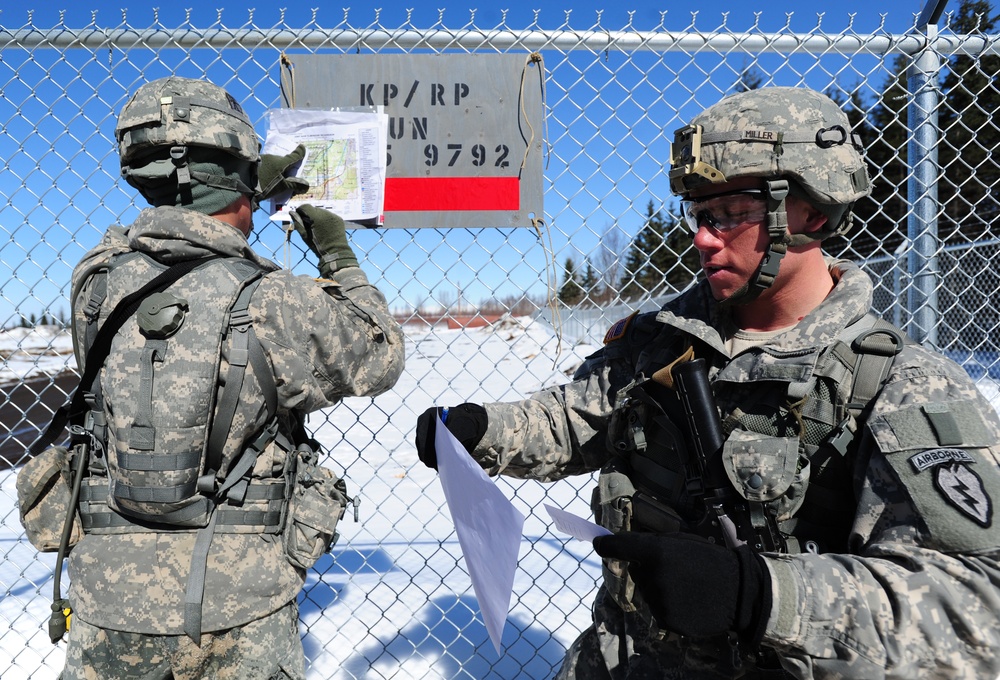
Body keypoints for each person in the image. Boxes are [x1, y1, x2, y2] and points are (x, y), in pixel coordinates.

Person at [415, 86, 1000, 678]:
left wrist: (764, 596)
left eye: (735, 213)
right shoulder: (661, 341)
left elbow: (978, 610)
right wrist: (481, 430)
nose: (703, 237)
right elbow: (579, 417)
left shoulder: (899, 386)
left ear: (814, 212)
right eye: (700, 214)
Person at [57, 76, 405, 679]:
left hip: (106, 602)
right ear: (241, 183)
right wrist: (337, 253)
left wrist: (229, 182)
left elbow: (124, 244)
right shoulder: (274, 300)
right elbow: (380, 353)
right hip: (237, 610)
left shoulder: (95, 288)